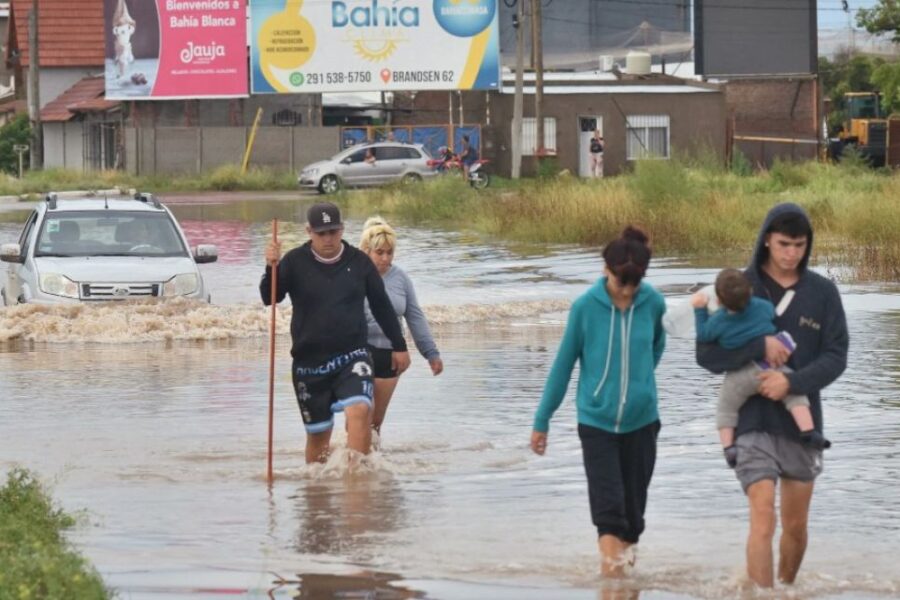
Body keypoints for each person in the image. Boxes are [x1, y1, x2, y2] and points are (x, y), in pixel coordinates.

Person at [695, 203, 848, 588]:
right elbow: (707, 355)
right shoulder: (736, 286)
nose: (791, 253)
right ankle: (762, 597)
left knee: (795, 528)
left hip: (801, 424)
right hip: (751, 422)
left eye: (799, 245)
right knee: (764, 517)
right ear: (766, 240)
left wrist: (792, 383)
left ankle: (785, 589)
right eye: (783, 244)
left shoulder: (823, 293)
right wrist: (757, 346)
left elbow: (837, 357)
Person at [531, 226, 666, 577]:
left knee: (633, 520)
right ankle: (613, 585)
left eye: (634, 284)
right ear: (606, 270)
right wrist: (541, 421)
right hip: (596, 423)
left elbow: (656, 347)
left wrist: (640, 384)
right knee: (609, 515)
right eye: (621, 282)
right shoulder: (584, 308)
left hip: (642, 422)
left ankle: (625, 583)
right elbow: (562, 367)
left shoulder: (653, 302)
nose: (627, 291)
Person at [261, 202, 411, 464]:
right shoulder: (294, 262)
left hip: (352, 355)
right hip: (309, 363)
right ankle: (317, 491)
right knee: (318, 440)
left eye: (333, 231)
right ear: (309, 231)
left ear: (342, 229)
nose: (328, 238)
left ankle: (358, 481)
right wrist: (271, 267)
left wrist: (399, 346)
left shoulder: (360, 262)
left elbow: (382, 306)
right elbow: (269, 297)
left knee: (361, 409)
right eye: (321, 233)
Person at [692, 268, 830, 469]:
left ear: (720, 300)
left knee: (726, 408)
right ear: (750, 291)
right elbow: (772, 315)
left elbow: (703, 335)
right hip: (772, 367)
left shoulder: (719, 321)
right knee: (795, 396)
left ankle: (729, 448)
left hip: (740, 375)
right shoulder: (764, 307)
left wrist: (700, 310)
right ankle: (809, 431)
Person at [358, 217, 443, 434]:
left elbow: (414, 316)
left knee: (375, 422)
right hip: (358, 353)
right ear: (366, 250)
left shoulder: (400, 278)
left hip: (390, 355)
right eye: (379, 252)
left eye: (390, 252)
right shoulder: (353, 276)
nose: (385, 258)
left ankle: (373, 465)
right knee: (360, 416)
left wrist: (430, 353)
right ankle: (348, 463)